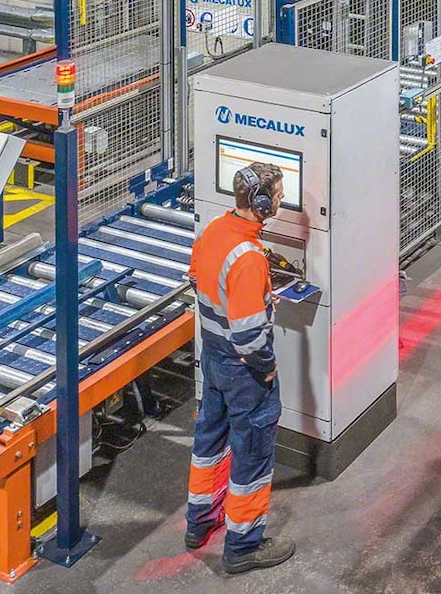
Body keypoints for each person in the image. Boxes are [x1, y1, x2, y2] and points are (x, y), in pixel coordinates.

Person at [184, 162, 295, 574]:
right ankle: (244, 546)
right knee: (251, 452)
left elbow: (198, 279)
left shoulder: (215, 230)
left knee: (210, 441)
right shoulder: (248, 257)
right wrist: (265, 368)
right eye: (279, 196)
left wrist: (256, 301)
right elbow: (249, 338)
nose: (281, 202)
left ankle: (200, 522)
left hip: (212, 357)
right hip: (243, 369)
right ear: (261, 203)